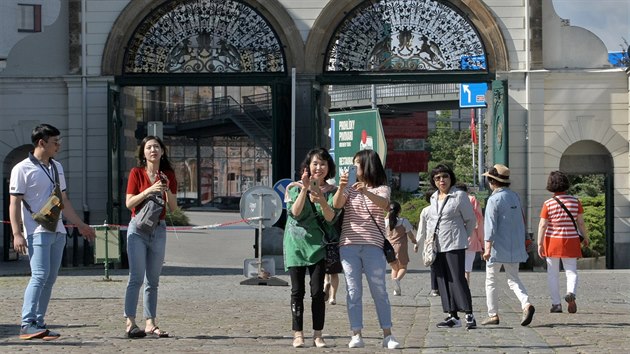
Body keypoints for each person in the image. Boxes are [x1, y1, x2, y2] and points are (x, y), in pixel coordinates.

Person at [9, 123, 96, 340]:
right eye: (55, 142)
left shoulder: (57, 167)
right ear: (41, 143)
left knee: (50, 278)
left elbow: (63, 201)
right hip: (36, 230)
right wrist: (17, 233)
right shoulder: (21, 168)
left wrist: (81, 225)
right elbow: (14, 203)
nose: (59, 146)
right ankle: (27, 322)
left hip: (57, 230)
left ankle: (38, 322)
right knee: (39, 275)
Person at [333, 149, 401, 349]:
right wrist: (342, 187)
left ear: (367, 164)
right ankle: (356, 333)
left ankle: (387, 334)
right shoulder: (348, 188)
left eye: (357, 164)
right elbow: (337, 205)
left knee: (379, 290)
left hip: (373, 245)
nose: (354, 167)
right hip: (349, 245)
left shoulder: (381, 188)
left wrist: (365, 191)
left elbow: (384, 205)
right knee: (353, 290)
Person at [283, 147, 339, 348]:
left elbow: (331, 218)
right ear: (307, 166)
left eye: (323, 164)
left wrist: (321, 198)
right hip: (296, 246)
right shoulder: (294, 188)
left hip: (318, 248)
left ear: (328, 167)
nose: (319, 167)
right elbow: (295, 213)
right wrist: (306, 188)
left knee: (317, 292)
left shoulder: (332, 191)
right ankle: (298, 333)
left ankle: (318, 334)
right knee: (297, 291)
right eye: (315, 163)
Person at [124, 136, 177, 338]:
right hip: (137, 229)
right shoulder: (136, 173)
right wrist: (149, 190)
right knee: (136, 277)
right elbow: (129, 203)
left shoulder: (168, 174)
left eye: (156, 147)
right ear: (143, 153)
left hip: (159, 229)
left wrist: (166, 189)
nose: (153, 150)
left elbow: (172, 207)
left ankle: (150, 323)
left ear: (162, 152)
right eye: (149, 147)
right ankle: (130, 321)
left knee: (153, 280)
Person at [480, 164, 535, 326]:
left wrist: (487, 248)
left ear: (492, 181)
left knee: (491, 280)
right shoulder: (515, 197)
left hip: (497, 247)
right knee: (513, 279)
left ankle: (493, 314)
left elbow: (490, 226)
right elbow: (522, 220)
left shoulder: (493, 199)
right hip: (515, 245)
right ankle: (526, 304)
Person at [425, 164, 477, 329]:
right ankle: (452, 315)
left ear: (450, 178)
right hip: (437, 245)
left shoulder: (459, 196)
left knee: (457, 279)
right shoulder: (433, 197)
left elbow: (471, 220)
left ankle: (469, 313)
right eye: (437, 178)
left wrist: (462, 236)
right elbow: (432, 221)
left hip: (454, 243)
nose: (442, 180)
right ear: (434, 181)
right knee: (442, 280)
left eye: (445, 176)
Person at [537, 170, 589, 314]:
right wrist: (586, 237)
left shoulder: (548, 203)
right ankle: (571, 292)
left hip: (552, 240)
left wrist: (539, 243)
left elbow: (543, 225)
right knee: (571, 270)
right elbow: (581, 223)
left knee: (552, 273)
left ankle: (556, 304)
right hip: (571, 239)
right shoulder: (575, 201)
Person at [454, 183, 484, 284]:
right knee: (467, 270)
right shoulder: (472, 200)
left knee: (456, 269)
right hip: (471, 239)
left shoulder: (452, 200)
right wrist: (482, 244)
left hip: (455, 239)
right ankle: (466, 290)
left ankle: (457, 292)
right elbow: (479, 224)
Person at [385, 201, 417, 296]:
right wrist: (414, 241)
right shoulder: (403, 221)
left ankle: (396, 290)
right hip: (401, 247)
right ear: (399, 211)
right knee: (403, 267)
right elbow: (410, 234)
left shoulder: (385, 221)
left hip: (389, 248)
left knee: (394, 268)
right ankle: (397, 280)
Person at [416, 189, 439, 297]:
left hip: (430, 241)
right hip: (437, 240)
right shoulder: (431, 210)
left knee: (434, 264)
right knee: (441, 264)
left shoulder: (425, 210)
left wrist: (417, 243)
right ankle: (438, 288)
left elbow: (421, 229)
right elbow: (421, 228)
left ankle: (434, 288)